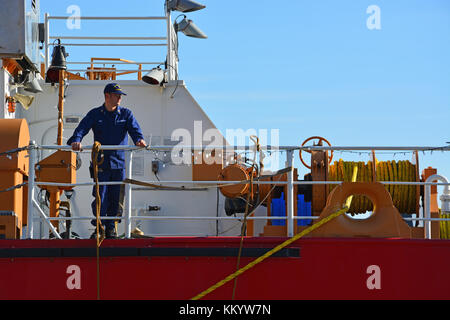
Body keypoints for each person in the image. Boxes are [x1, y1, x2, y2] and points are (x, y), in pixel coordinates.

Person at [67, 83, 146, 239]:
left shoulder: (126, 114)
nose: (119, 99)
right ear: (107, 96)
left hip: (119, 164)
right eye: (117, 95)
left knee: (116, 198)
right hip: (101, 164)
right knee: (100, 197)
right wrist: (76, 140)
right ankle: (99, 227)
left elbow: (135, 130)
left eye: (120, 96)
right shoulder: (96, 114)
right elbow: (81, 129)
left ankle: (111, 228)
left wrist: (139, 140)